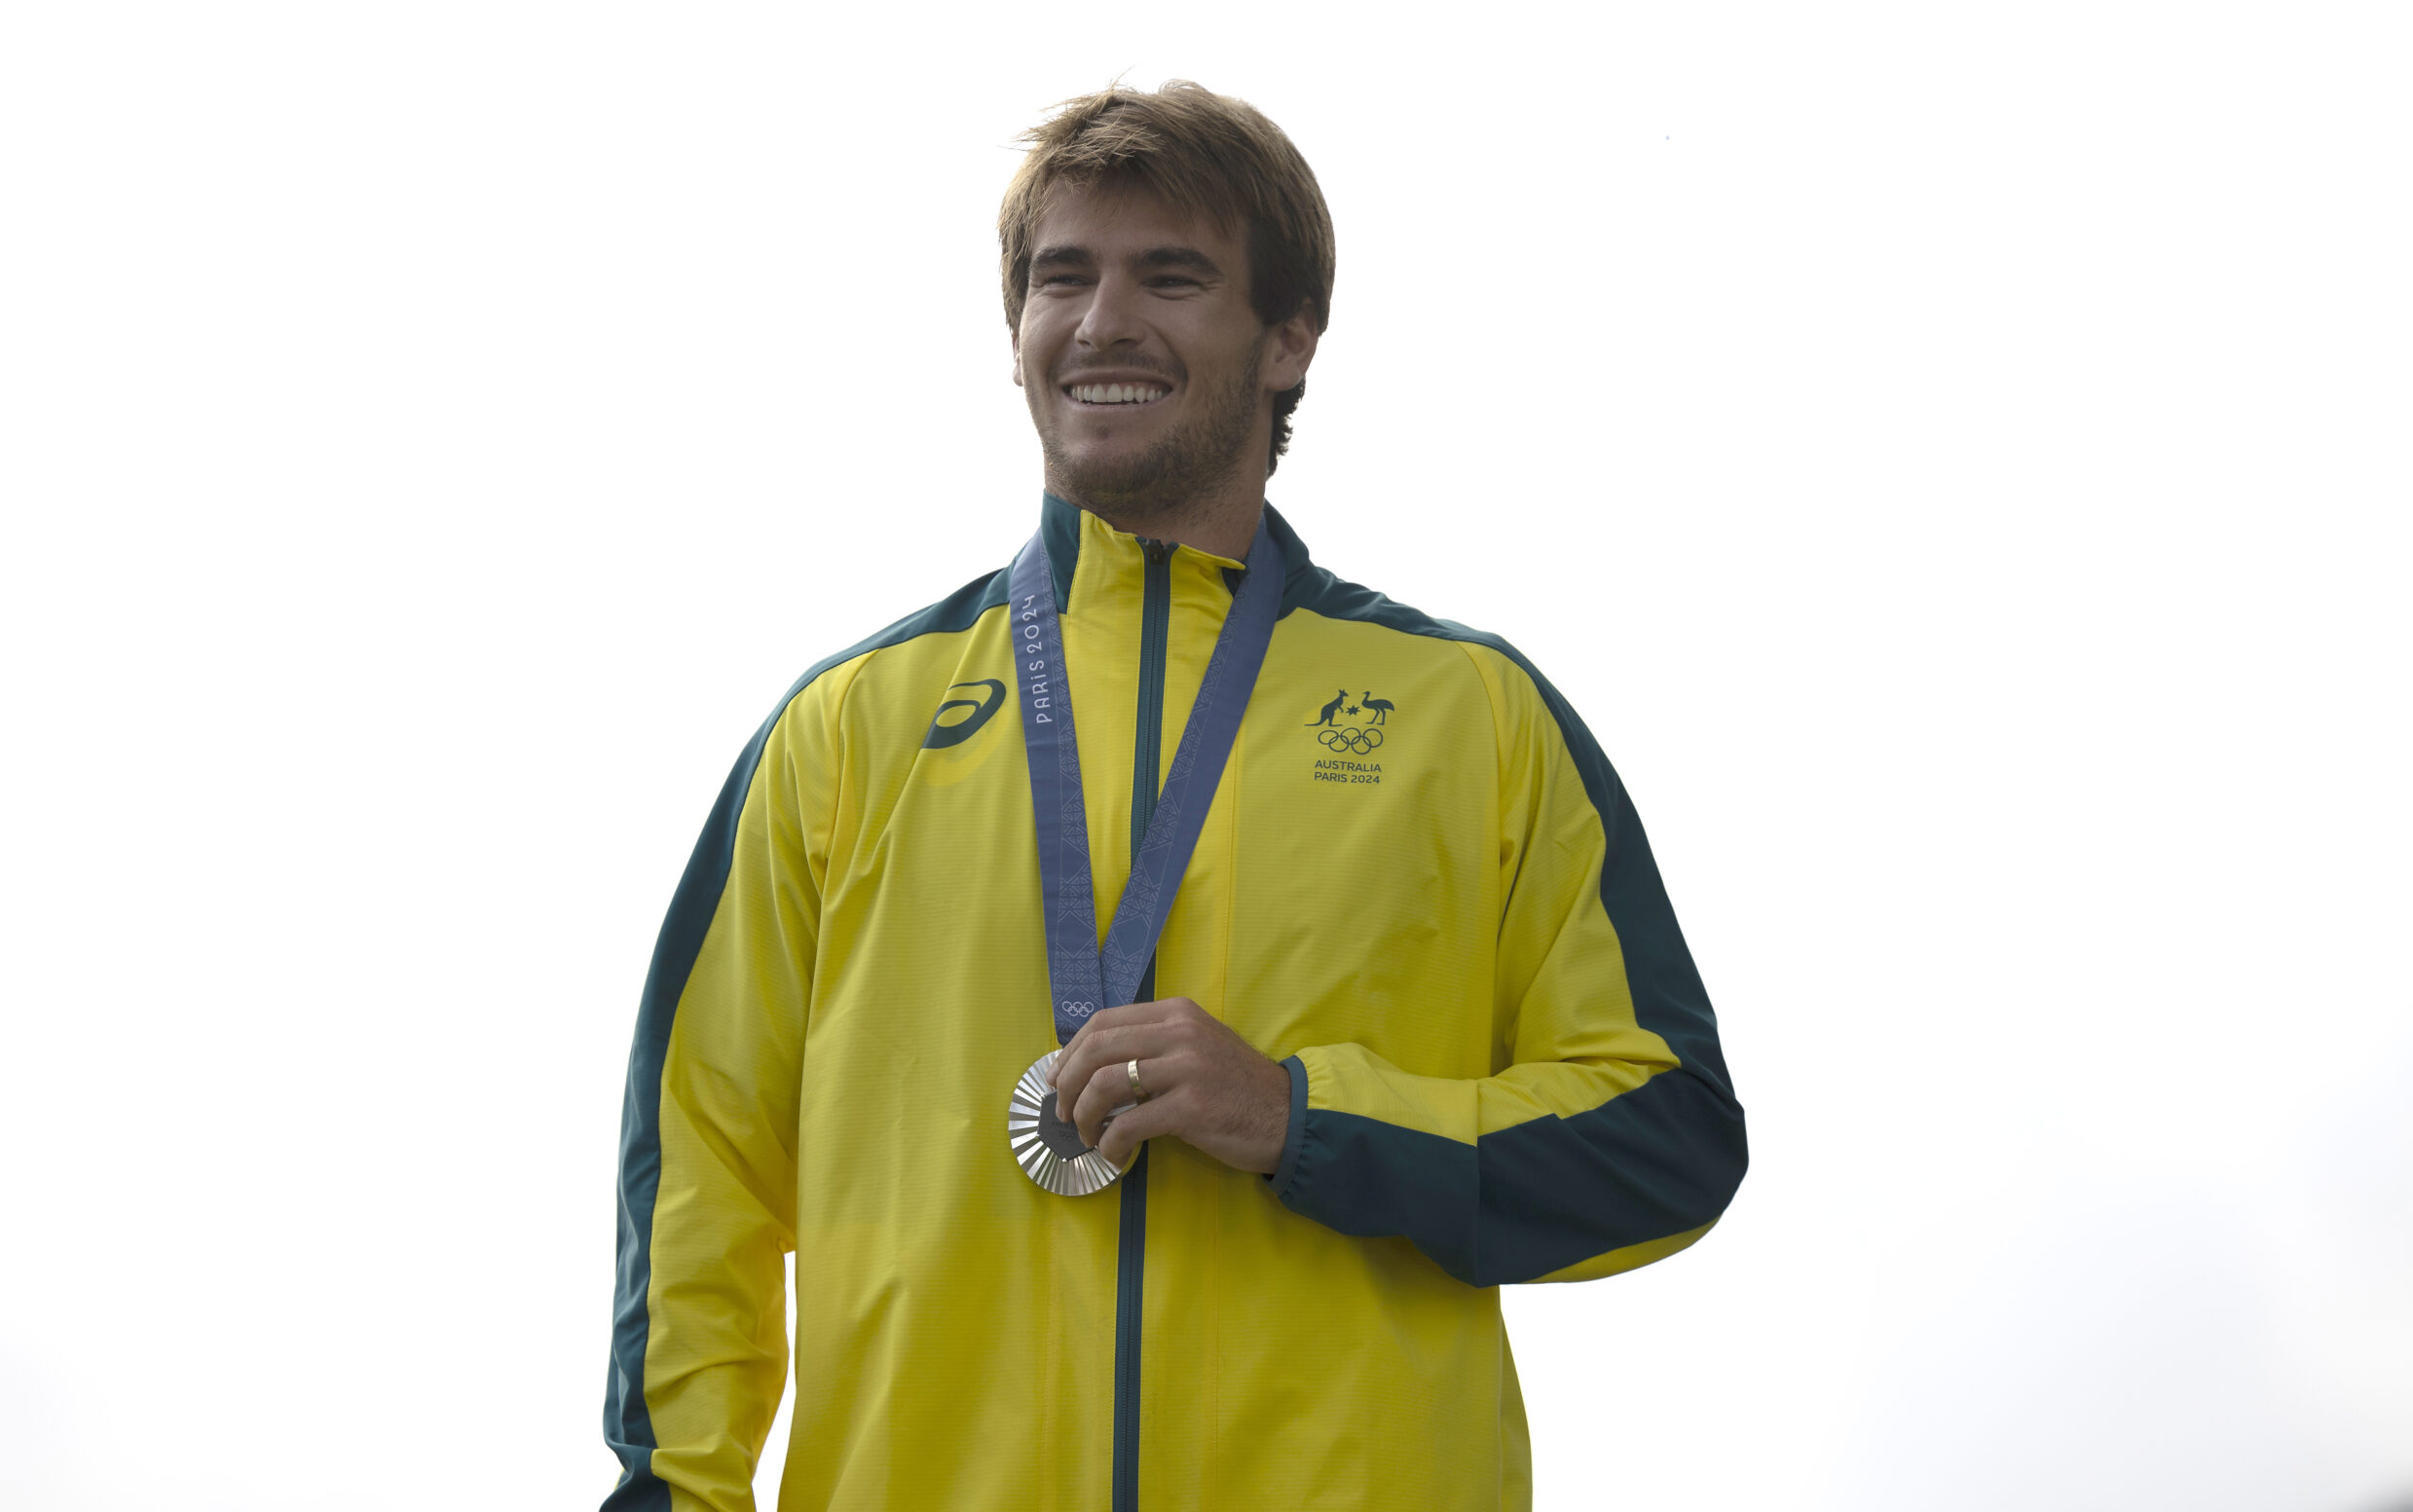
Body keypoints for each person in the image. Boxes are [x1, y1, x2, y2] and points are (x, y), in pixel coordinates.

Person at [602, 81, 1747, 1512]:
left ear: (1290, 338)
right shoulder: (848, 728)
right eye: (1060, 276)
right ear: (1012, 334)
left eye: (1172, 276)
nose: (1101, 321)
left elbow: (1667, 1135)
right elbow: (699, 1165)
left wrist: (1306, 1118)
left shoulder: (1474, 716)